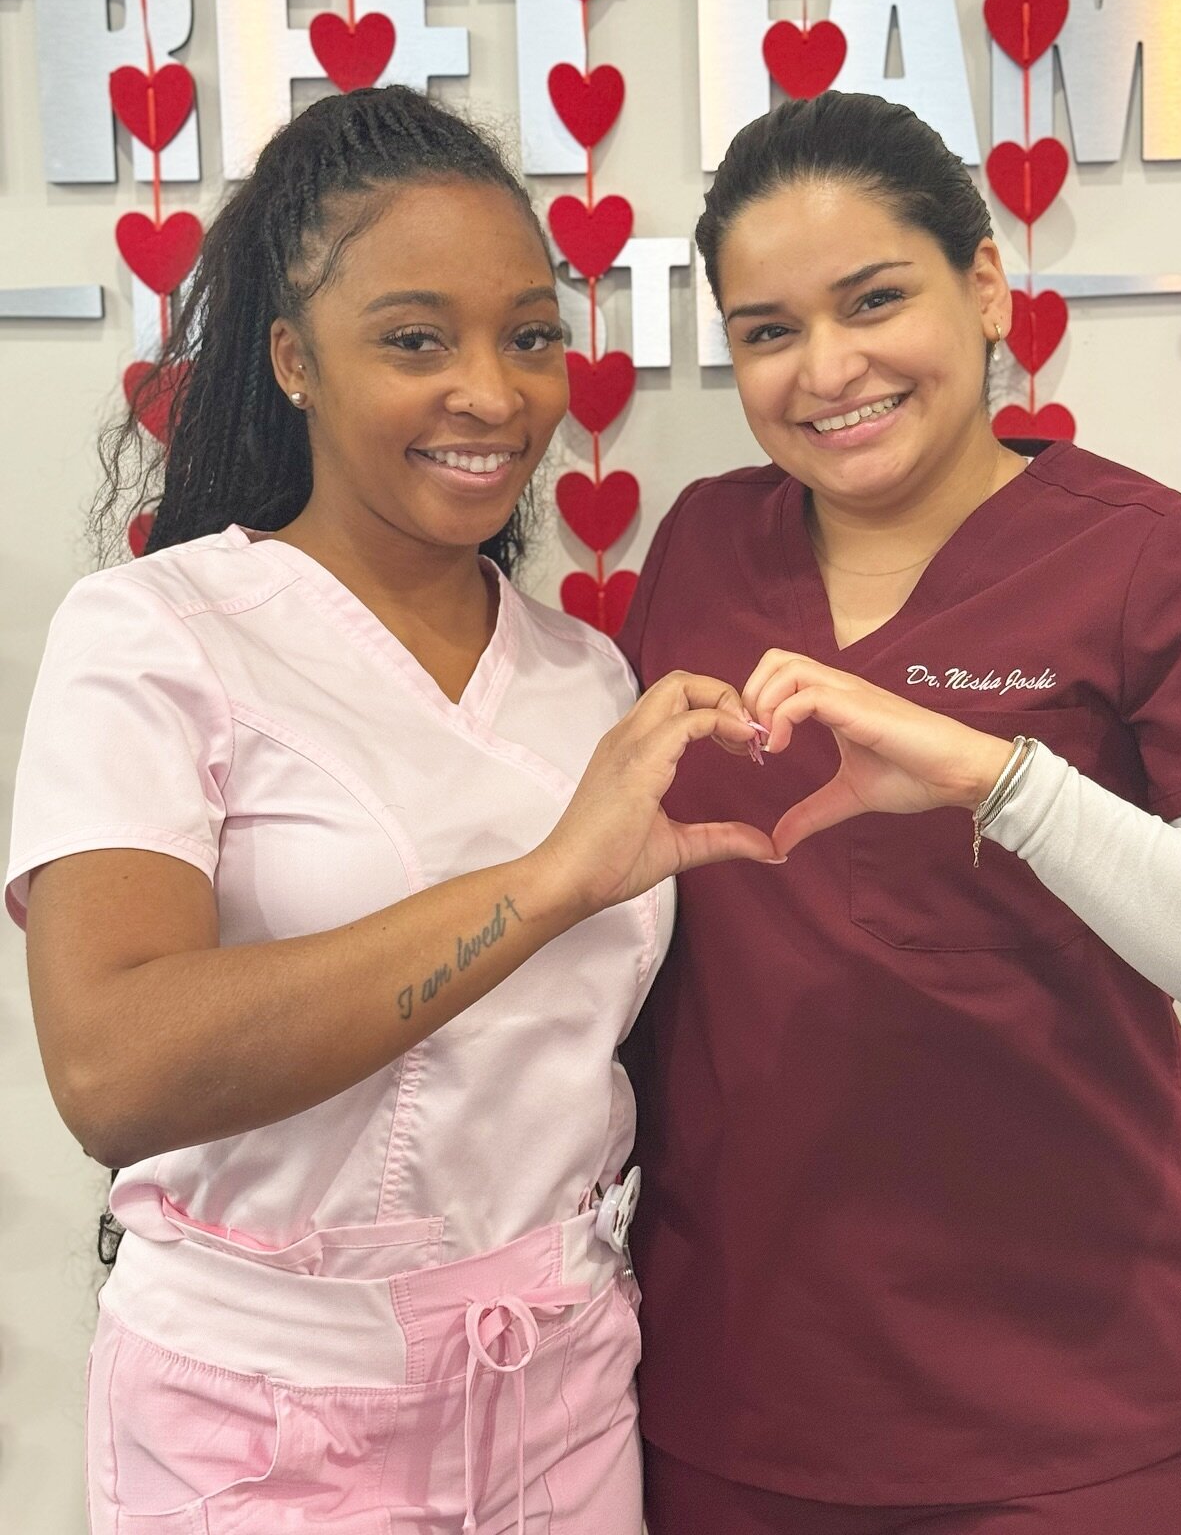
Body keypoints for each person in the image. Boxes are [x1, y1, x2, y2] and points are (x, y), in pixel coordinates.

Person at [618, 91, 1181, 1535]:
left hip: (1072, 1425)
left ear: (985, 287)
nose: (830, 369)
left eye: (876, 300)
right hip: (734, 1406)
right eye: (768, 330)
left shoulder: (1148, 563)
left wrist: (1004, 779)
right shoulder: (697, 552)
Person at [7, 85, 777, 1535]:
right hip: (263, 1430)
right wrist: (545, 883)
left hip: (563, 1405)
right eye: (415, 339)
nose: (492, 392)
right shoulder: (159, 633)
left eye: (530, 337)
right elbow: (114, 1070)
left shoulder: (582, 674)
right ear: (294, 359)